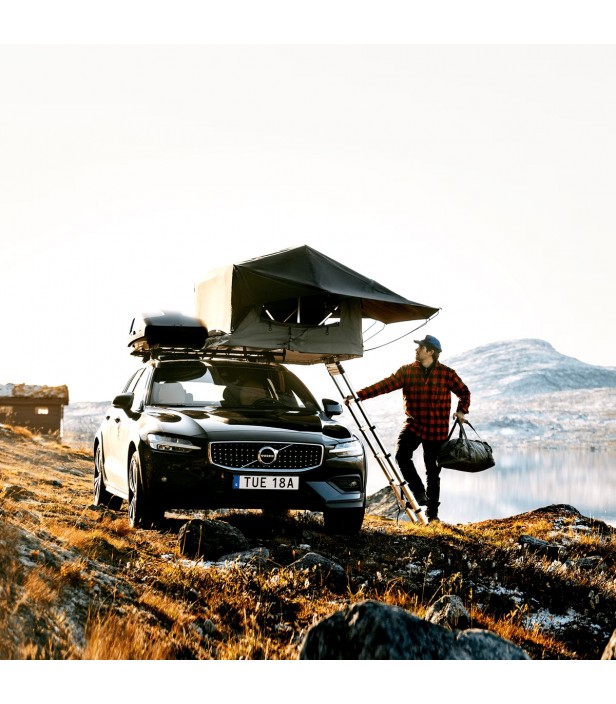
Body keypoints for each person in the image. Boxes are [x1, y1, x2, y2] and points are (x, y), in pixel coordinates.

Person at [350, 335, 470, 523]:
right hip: (414, 425)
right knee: (401, 456)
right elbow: (385, 385)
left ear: (430, 352)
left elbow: (464, 392)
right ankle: (419, 493)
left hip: (437, 430)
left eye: (420, 347)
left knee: (433, 473)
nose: (416, 350)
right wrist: (358, 396)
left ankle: (433, 517)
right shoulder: (407, 371)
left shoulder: (447, 374)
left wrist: (461, 410)